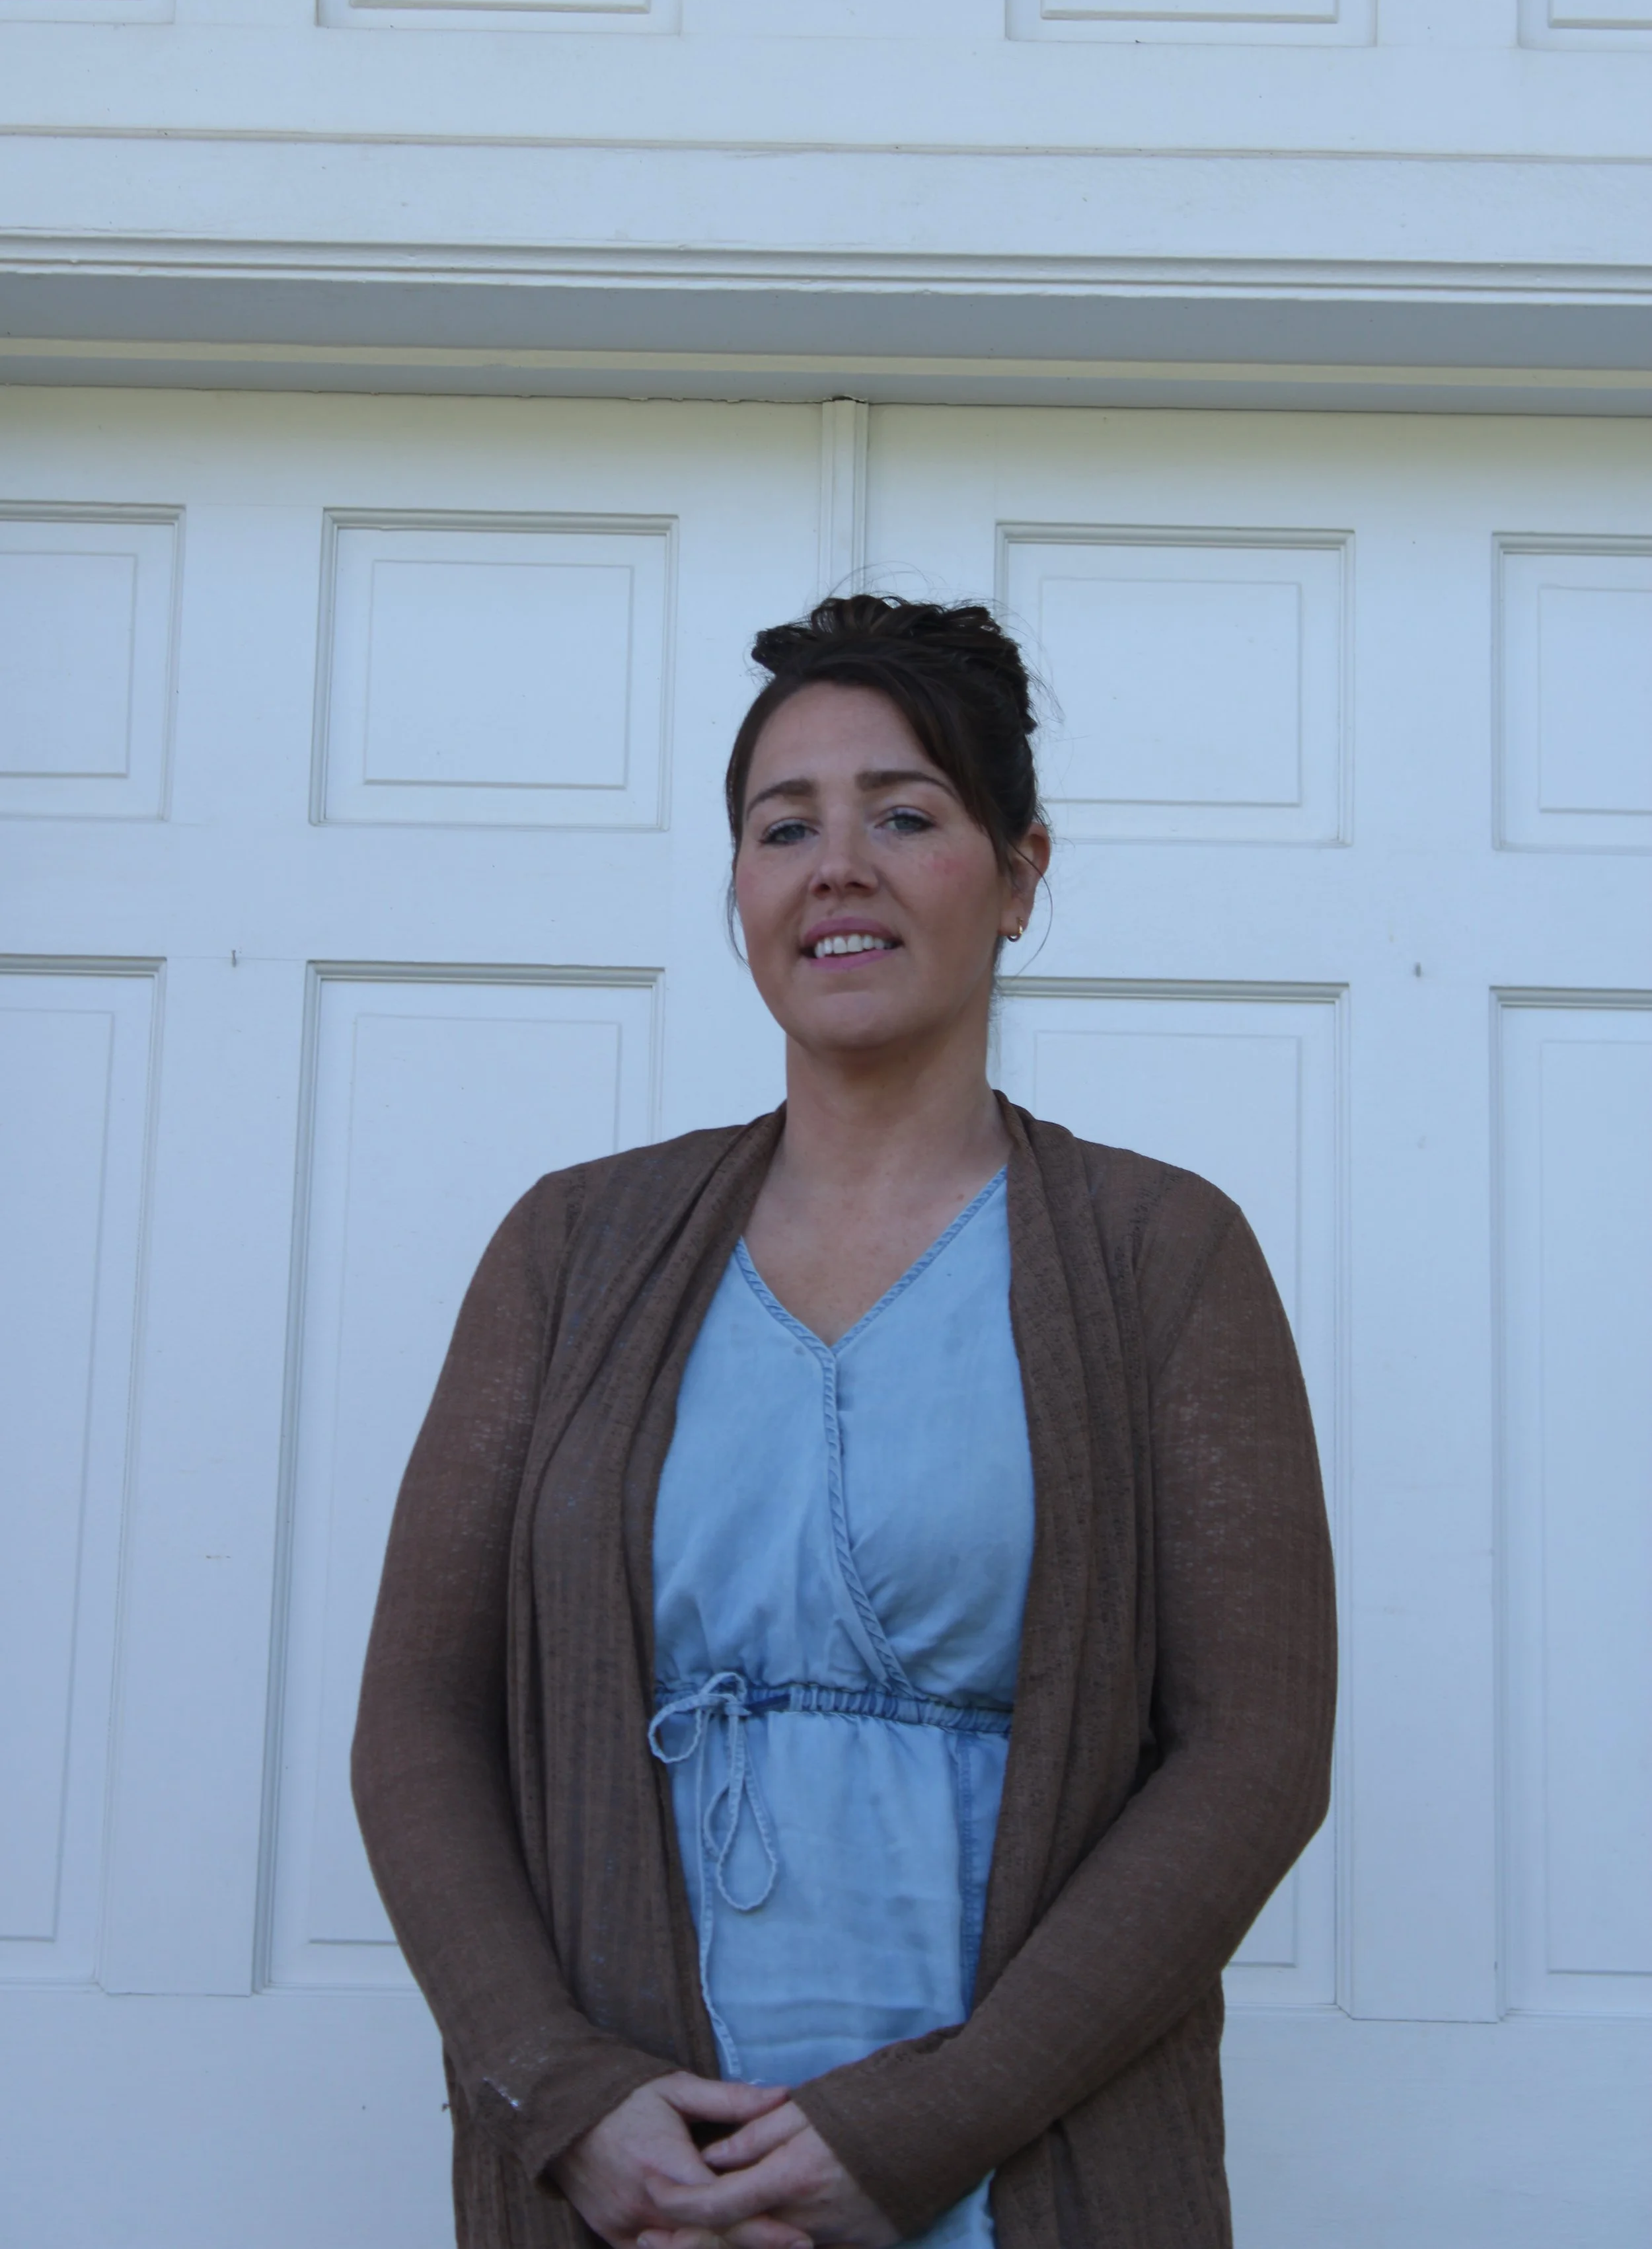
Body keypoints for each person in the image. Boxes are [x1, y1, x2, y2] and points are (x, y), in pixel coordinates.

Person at [352, 595, 1336, 2249]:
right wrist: (566, 2098)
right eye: (780, 825)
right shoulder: (568, 1246)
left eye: (904, 815)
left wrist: (918, 2131)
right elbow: (418, 1729)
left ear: (1020, 876)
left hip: (1014, 2158)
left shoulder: (1161, 1254)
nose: (835, 866)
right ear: (735, 886)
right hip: (639, 2183)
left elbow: (1251, 1756)